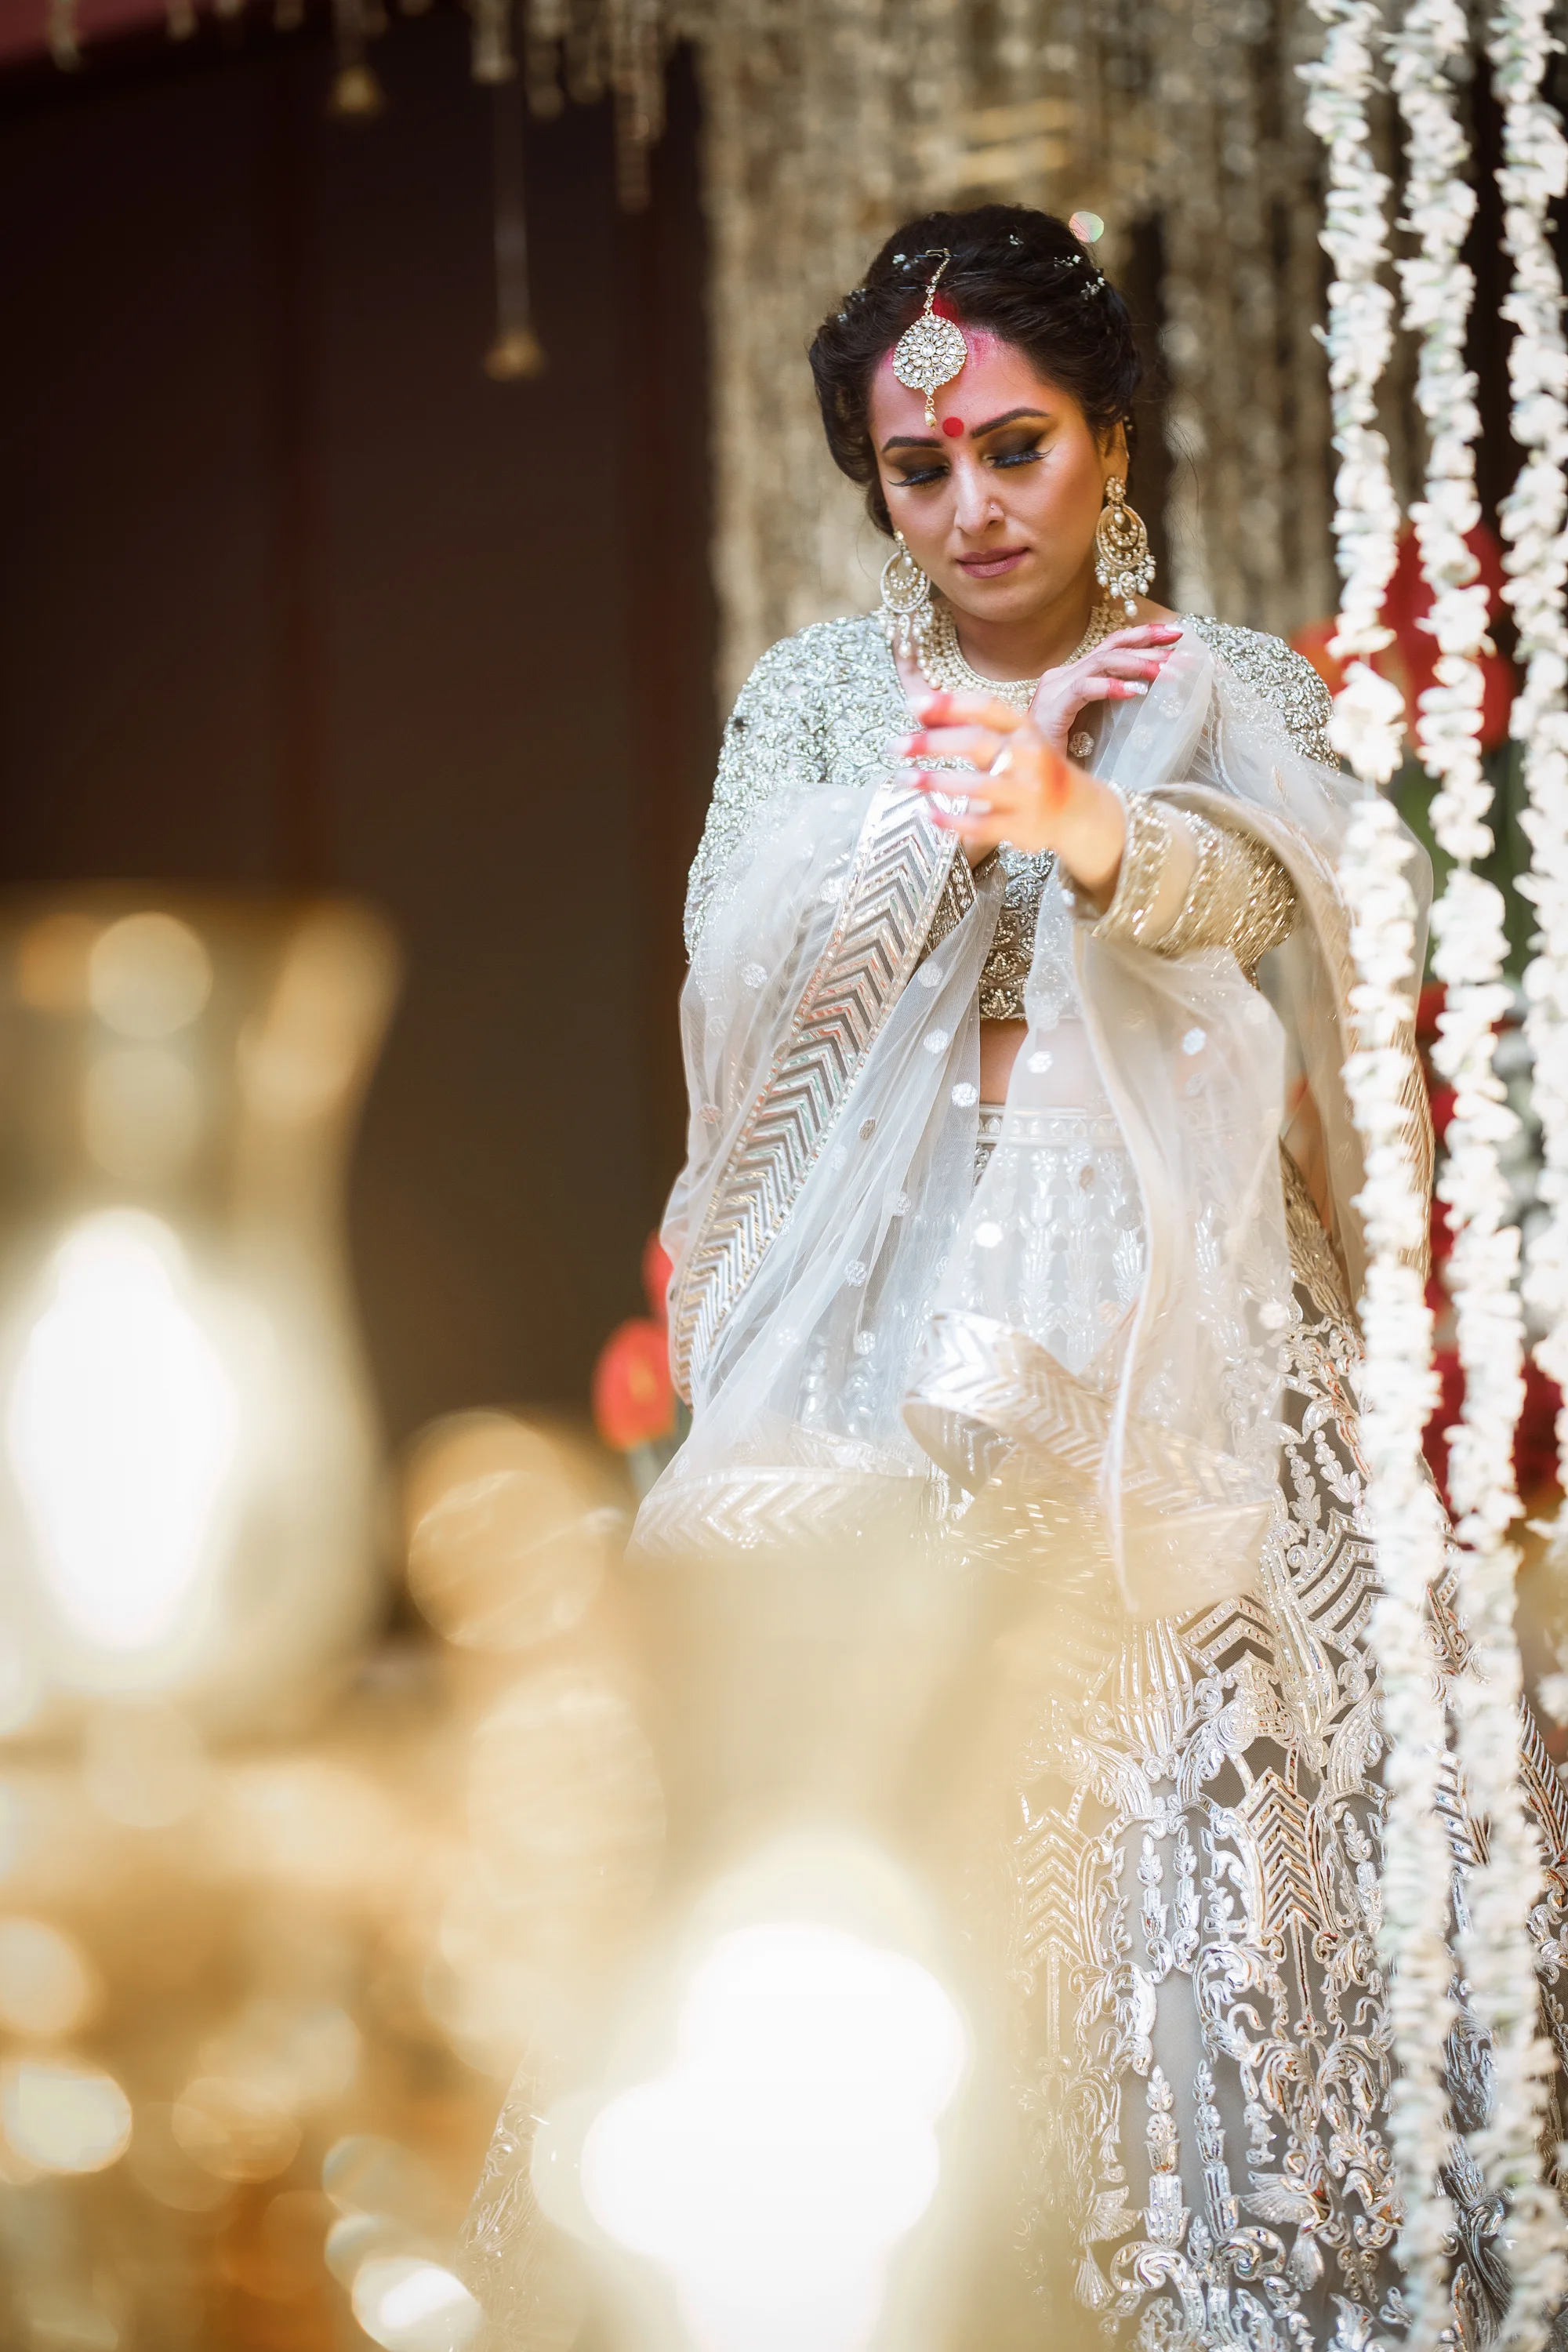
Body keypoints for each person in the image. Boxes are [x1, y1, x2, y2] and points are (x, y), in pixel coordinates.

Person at [623, 205, 1568, 2350]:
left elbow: (1278, 897)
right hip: (883, 1312)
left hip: (1169, 1304)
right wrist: (945, 816)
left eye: (1018, 449)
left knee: (1194, 1755)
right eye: (922, 471)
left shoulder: (1215, 681)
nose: (973, 505)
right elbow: (738, 977)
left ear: (1114, 444)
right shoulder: (810, 703)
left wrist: (1089, 814)